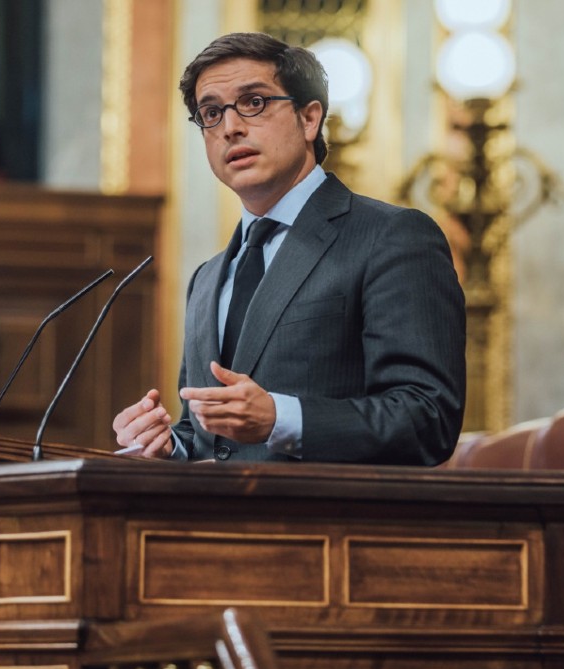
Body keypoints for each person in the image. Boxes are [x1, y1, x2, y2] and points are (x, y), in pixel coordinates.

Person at [113, 32, 465, 465]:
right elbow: (214, 442)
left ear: (309, 119)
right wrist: (169, 444)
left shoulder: (391, 237)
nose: (230, 127)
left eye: (254, 102)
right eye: (211, 112)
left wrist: (281, 418)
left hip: (329, 526)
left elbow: (427, 418)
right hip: (209, 527)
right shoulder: (206, 278)